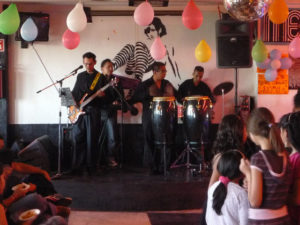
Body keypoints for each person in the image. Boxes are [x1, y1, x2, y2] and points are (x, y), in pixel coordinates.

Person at [239, 107, 291, 225]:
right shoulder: (286, 157)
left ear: (251, 134)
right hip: (283, 219)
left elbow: (255, 201)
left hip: (262, 221)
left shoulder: (258, 159)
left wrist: (248, 173)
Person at [128, 61, 177, 174]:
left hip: (165, 118)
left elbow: (176, 95)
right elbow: (135, 98)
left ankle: (164, 166)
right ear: (155, 72)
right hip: (149, 117)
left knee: (164, 141)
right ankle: (152, 167)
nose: (165, 73)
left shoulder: (167, 83)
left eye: (165, 71)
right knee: (150, 140)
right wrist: (148, 94)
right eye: (163, 71)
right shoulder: (145, 84)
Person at [71, 52, 104, 175]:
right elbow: (74, 92)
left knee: (92, 140)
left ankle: (92, 167)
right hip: (80, 112)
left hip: (93, 111)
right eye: (85, 64)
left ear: (95, 62)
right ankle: (77, 167)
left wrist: (101, 96)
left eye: (90, 64)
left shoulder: (100, 77)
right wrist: (73, 106)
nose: (88, 66)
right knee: (78, 138)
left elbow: (106, 98)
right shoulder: (80, 76)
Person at [206, 150, 249, 225]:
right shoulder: (240, 193)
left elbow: (208, 218)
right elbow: (245, 223)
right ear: (240, 169)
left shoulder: (212, 188)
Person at [97, 58, 124, 168]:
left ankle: (110, 157)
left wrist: (117, 100)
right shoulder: (97, 79)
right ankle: (97, 159)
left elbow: (120, 94)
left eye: (112, 66)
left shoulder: (116, 80)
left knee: (113, 136)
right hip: (99, 111)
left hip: (111, 111)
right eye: (108, 66)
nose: (111, 69)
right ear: (102, 68)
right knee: (97, 136)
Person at [279, 112, 300, 225]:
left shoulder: (297, 159)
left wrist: (277, 195)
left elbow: (297, 198)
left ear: (286, 132)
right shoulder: (292, 157)